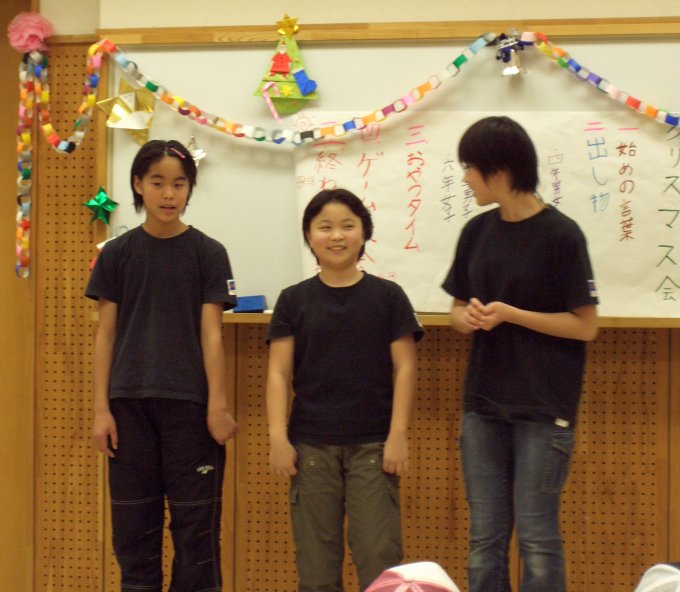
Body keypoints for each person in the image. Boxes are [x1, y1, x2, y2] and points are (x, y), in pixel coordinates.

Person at [441, 116, 599, 592]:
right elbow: (455, 310)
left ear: (500, 169)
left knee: (537, 540)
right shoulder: (476, 231)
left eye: (470, 167)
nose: (465, 178)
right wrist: (466, 317)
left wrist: (512, 314)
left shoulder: (561, 234)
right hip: (483, 406)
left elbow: (585, 326)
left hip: (543, 407)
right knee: (484, 542)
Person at [86, 139, 238, 592]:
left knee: (196, 539)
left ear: (190, 188)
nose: (169, 194)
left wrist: (217, 405)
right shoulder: (116, 253)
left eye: (179, 184)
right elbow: (106, 334)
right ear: (138, 184)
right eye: (157, 182)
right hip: (127, 408)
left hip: (191, 408)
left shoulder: (209, 253)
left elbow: (212, 334)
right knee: (134, 538)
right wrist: (101, 409)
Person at [266, 188, 424, 592]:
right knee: (316, 565)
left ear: (364, 233)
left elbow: (405, 367)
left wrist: (398, 435)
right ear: (309, 236)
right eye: (325, 227)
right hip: (310, 448)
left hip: (374, 447)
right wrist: (278, 438)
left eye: (348, 226)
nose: (337, 236)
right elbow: (278, 373)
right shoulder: (293, 300)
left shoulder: (388, 296)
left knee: (379, 558)